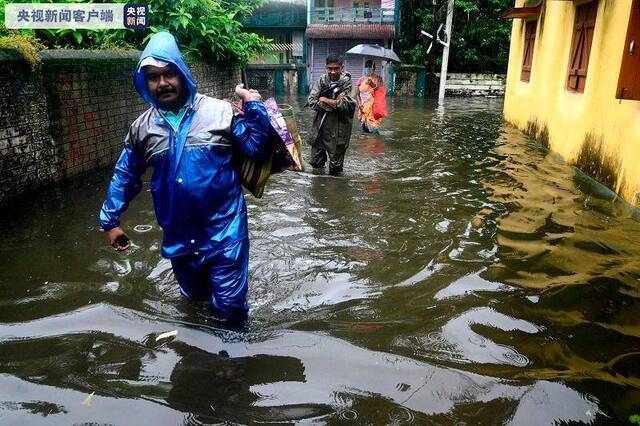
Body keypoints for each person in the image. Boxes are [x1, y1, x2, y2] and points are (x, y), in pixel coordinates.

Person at [98, 32, 271, 323]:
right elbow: (125, 174)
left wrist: (253, 104)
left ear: (182, 73)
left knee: (230, 310)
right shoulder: (142, 129)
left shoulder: (220, 112)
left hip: (225, 230)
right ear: (145, 83)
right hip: (178, 236)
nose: (162, 83)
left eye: (169, 74)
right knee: (194, 304)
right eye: (153, 77)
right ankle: (200, 359)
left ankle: (232, 365)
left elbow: (257, 145)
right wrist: (110, 221)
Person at [307, 54, 356, 176]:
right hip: (321, 127)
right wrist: (335, 104)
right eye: (330, 68)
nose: (333, 72)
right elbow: (312, 102)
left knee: (335, 170)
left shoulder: (347, 83)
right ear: (326, 67)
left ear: (342, 68)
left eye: (336, 68)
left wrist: (325, 100)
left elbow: (348, 105)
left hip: (339, 130)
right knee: (315, 163)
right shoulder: (322, 81)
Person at [355, 60, 386, 134]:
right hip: (362, 108)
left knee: (373, 130)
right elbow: (357, 94)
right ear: (364, 68)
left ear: (374, 68)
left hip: (374, 108)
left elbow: (381, 93)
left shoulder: (378, 79)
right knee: (364, 132)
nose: (368, 68)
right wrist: (359, 104)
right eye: (367, 67)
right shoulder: (361, 80)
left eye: (370, 67)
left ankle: (375, 143)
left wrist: (373, 85)